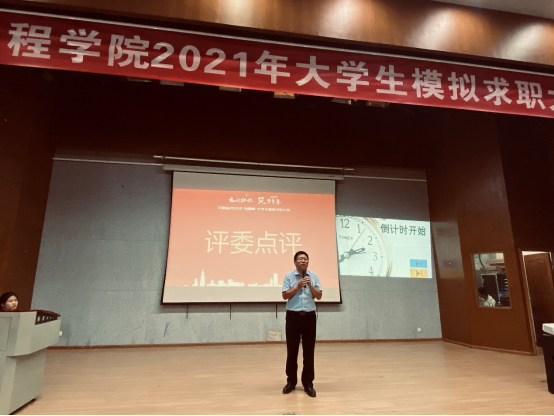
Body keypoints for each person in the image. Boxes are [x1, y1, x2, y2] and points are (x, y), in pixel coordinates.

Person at [281, 251, 322, 398]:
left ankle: (308, 383)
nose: (303, 261)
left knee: (309, 351)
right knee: (292, 351)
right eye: (300, 259)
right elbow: (284, 295)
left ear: (308, 262)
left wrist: (310, 285)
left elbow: (319, 296)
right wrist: (297, 287)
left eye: (305, 259)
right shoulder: (289, 276)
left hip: (309, 317)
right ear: (295, 262)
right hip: (293, 316)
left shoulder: (314, 276)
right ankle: (291, 382)